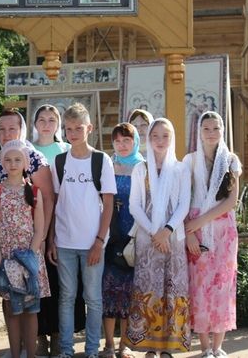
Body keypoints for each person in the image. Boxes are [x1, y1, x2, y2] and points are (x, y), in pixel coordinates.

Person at [47, 103, 116, 358]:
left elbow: (108, 203)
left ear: (90, 128)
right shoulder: (59, 161)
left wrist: (99, 241)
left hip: (92, 243)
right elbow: (55, 201)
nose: (73, 133)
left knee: (93, 298)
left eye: (78, 128)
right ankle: (66, 350)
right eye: (69, 129)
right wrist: (51, 239)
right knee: (66, 297)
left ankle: (91, 351)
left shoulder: (101, 160)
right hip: (65, 241)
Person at [126, 118, 191, 357]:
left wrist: (167, 231)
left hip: (173, 239)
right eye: (155, 136)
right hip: (148, 239)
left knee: (171, 288)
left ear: (172, 138)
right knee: (148, 288)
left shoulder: (181, 169)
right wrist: (155, 233)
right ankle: (149, 347)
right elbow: (134, 205)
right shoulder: (140, 169)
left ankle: (168, 347)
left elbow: (183, 204)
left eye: (165, 136)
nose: (160, 141)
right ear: (149, 139)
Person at [183, 112, 241, 358]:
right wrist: (189, 232)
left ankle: (218, 346)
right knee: (199, 285)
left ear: (222, 130)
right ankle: (205, 346)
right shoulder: (189, 161)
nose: (211, 133)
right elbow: (182, 199)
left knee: (223, 286)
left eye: (215, 128)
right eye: (206, 128)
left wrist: (201, 220)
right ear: (199, 131)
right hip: (195, 230)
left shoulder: (230, 160)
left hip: (223, 231)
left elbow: (231, 200)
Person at [31, 104, 85, 357]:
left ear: (58, 125)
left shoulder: (66, 150)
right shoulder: (27, 150)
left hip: (62, 222)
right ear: (34, 123)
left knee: (60, 284)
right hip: (32, 225)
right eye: (41, 119)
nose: (46, 124)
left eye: (51, 120)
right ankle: (39, 337)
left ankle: (59, 336)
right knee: (37, 284)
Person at [0, 140, 50, 358]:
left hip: (30, 259)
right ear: (3, 163)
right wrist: (1, 260)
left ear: (25, 163)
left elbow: (39, 228)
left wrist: (29, 259)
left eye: (17, 160)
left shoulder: (34, 191)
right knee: (11, 309)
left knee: (31, 310)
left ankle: (30, 354)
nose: (13, 164)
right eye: (8, 160)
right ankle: (15, 353)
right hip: (6, 259)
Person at [100, 123, 143, 358]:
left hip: (134, 236)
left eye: (127, 140)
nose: (122, 145)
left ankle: (124, 345)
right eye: (117, 141)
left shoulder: (142, 167)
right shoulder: (107, 165)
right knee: (108, 291)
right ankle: (108, 344)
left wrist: (136, 232)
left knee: (128, 293)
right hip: (110, 235)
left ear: (135, 142)